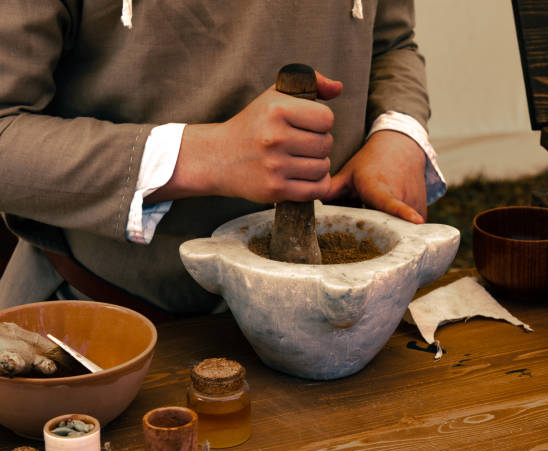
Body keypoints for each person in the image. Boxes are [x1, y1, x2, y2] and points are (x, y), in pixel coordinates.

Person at [0, 0, 446, 315]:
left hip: (343, 321)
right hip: (102, 328)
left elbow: (392, 44)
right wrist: (205, 157)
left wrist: (397, 130)